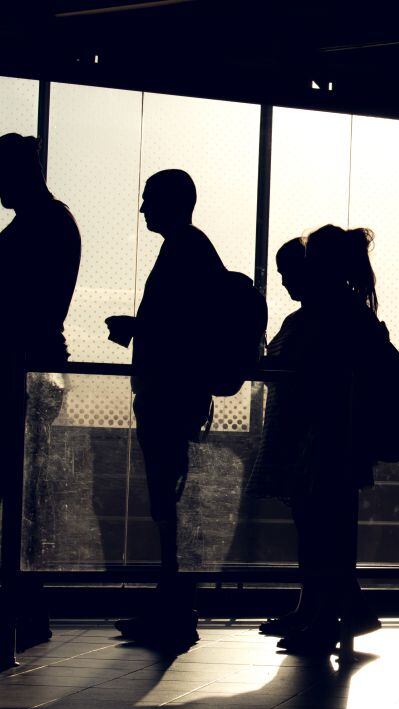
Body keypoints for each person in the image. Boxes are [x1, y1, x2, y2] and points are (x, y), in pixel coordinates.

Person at [106, 169, 224, 649]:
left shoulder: (183, 250)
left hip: (168, 396)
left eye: (149, 199)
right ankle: (174, 608)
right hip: (178, 395)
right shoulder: (191, 249)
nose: (142, 209)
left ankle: (175, 611)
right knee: (172, 504)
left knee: (170, 504)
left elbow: (180, 329)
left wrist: (140, 329)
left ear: (173, 202)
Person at [247, 235, 381, 649]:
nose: (287, 283)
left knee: (321, 530)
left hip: (322, 442)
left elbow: (302, 371)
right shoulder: (339, 315)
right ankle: (321, 611)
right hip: (322, 441)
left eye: (292, 273)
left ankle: (324, 617)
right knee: (319, 529)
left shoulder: (325, 318)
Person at [0, 133, 81, 651]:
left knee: (18, 494)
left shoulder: (36, 226)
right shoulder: (52, 221)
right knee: (22, 493)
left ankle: (25, 608)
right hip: (33, 367)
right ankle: (28, 607)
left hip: (21, 369)